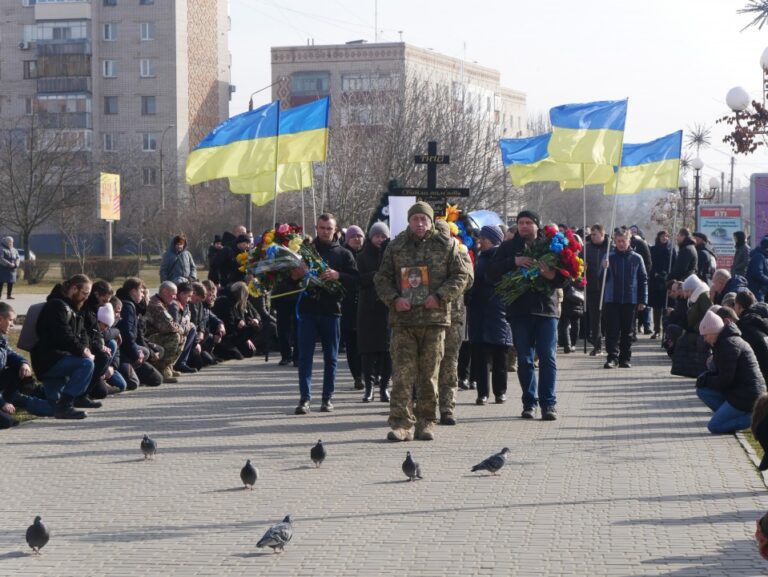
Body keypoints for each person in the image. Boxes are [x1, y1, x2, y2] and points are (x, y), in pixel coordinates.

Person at [374, 201, 470, 440]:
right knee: (403, 375)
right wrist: (394, 299)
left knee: (429, 375)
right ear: (409, 221)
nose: (419, 223)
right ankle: (401, 424)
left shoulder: (446, 246)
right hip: (404, 321)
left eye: (423, 219)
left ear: (430, 222)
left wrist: (440, 296)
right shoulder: (396, 246)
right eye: (415, 219)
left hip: (434, 321)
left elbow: (462, 276)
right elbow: (381, 279)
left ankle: (426, 422)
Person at [487, 210, 567, 421]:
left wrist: (549, 274)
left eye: (528, 223)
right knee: (525, 359)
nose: (523, 226)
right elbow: (491, 272)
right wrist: (515, 262)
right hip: (519, 311)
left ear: (537, 226)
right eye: (521, 223)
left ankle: (548, 404)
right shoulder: (508, 247)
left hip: (546, 311)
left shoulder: (550, 246)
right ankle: (529, 403)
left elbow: (565, 277)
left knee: (548, 359)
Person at [292, 214, 358, 415]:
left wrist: (338, 275)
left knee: (331, 357)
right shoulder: (305, 252)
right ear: (316, 228)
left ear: (336, 229)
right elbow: (291, 280)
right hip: (308, 311)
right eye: (321, 228)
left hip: (332, 311)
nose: (325, 231)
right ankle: (305, 399)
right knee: (305, 357)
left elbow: (356, 280)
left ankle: (327, 398)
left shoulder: (344, 254)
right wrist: (298, 273)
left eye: (329, 228)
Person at [30, 274, 96, 419]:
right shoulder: (56, 306)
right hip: (49, 360)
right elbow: (63, 335)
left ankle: (20, 399)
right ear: (73, 289)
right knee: (86, 364)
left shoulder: (74, 308)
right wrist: (83, 351)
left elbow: (82, 333)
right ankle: (66, 405)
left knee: (52, 408)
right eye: (84, 293)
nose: (86, 297)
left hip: (59, 359)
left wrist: (85, 348)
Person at [696, 309, 766, 433]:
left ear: (714, 331)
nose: (705, 339)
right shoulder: (723, 342)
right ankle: (729, 418)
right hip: (740, 391)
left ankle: (754, 419)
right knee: (702, 390)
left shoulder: (728, 345)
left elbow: (725, 380)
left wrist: (705, 379)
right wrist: (705, 378)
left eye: (706, 335)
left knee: (714, 427)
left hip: (748, 395)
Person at [468, 225, 511, 406]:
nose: (480, 242)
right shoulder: (479, 258)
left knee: (498, 355)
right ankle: (486, 393)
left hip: (496, 310)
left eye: (483, 239)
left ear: (492, 240)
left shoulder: (499, 258)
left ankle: (496, 392)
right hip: (481, 311)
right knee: (483, 356)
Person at [436, 220, 474, 424]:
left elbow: (468, 279)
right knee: (429, 363)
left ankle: (447, 407)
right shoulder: (424, 253)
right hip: (429, 317)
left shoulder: (460, 252)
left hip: (453, 315)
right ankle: (425, 404)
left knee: (450, 362)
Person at [356, 222, 392, 403]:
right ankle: (368, 388)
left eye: (383, 236)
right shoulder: (362, 257)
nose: (380, 239)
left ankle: (384, 387)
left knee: (387, 351)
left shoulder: (392, 255)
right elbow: (359, 280)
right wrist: (376, 275)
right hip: (368, 309)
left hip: (387, 308)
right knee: (368, 351)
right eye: (377, 236)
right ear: (370, 238)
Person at [602, 228, 648, 369]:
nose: (621, 244)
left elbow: (643, 279)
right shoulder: (609, 257)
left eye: (624, 241)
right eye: (619, 241)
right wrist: (604, 269)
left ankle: (625, 359)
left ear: (629, 241)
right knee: (612, 331)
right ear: (615, 241)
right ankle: (612, 358)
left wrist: (643, 300)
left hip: (630, 299)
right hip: (612, 299)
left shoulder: (636, 258)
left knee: (627, 332)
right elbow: (600, 280)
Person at [115, 277, 164, 387]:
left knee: (156, 377)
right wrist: (136, 354)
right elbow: (127, 335)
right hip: (123, 352)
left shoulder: (133, 306)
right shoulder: (127, 307)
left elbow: (137, 335)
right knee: (135, 382)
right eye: (141, 292)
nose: (143, 295)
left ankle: (135, 368)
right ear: (133, 291)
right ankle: (128, 368)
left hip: (129, 348)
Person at [0, 302, 38, 425]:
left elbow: (11, 354)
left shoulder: (1, 339)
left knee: (19, 370)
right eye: (10, 320)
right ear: (0, 319)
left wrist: (23, 363)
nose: (12, 324)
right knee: (8, 422)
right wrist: (2, 403)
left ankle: (9, 404)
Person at [144, 281, 186, 382]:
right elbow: (169, 327)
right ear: (164, 292)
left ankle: (168, 366)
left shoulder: (162, 303)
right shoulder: (156, 305)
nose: (175, 297)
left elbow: (171, 323)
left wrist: (180, 330)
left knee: (182, 336)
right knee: (175, 336)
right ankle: (161, 369)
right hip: (148, 338)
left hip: (155, 335)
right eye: (173, 294)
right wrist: (180, 329)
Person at [341, 224, 365, 390]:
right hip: (347, 305)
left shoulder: (368, 254)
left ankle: (368, 373)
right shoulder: (343, 255)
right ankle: (357, 375)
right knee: (351, 343)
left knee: (366, 342)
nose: (357, 239)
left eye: (359, 236)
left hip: (366, 306)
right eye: (353, 237)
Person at [212, 281, 260, 360]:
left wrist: (255, 320)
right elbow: (230, 322)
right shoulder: (226, 302)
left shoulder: (240, 302)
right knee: (237, 355)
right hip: (227, 335)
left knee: (250, 351)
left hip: (235, 333)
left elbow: (255, 314)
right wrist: (239, 322)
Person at [584, 224, 609, 356]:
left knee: (608, 317)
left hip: (607, 288)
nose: (592, 237)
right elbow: (579, 265)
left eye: (595, 234)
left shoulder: (610, 247)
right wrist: (583, 269)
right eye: (591, 234)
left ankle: (611, 345)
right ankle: (597, 345)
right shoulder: (586, 248)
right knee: (595, 318)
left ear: (602, 234)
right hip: (592, 287)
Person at [733, 290, 768, 382]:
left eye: (734, 305)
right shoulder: (762, 319)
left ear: (739, 306)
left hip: (760, 375)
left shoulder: (744, 325)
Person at [648, 230, 673, 339]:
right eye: (662, 236)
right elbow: (650, 264)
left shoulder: (671, 250)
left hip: (667, 281)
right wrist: (655, 274)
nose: (664, 238)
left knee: (666, 307)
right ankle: (657, 329)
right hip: (656, 281)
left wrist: (669, 275)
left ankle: (666, 330)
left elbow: (674, 264)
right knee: (657, 307)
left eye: (666, 236)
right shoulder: (653, 249)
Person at [168, 282, 198, 373]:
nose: (189, 299)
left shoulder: (186, 305)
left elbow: (187, 320)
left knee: (193, 328)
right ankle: (179, 363)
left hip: (182, 332)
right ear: (181, 294)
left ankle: (182, 361)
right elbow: (176, 325)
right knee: (191, 328)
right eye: (188, 296)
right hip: (171, 334)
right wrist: (187, 326)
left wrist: (187, 325)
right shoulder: (174, 305)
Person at [629, 227, 653, 335]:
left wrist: (644, 274)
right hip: (630, 280)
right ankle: (634, 329)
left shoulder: (642, 244)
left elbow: (648, 261)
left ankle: (646, 325)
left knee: (644, 303)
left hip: (641, 277)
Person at [748, 235, 768, 302]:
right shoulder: (759, 257)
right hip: (757, 290)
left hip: (760, 290)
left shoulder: (762, 256)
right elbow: (758, 274)